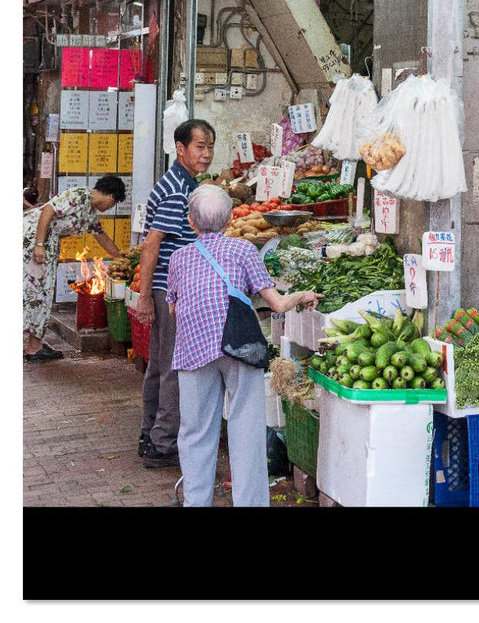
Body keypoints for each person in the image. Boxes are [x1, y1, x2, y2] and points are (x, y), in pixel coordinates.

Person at [167, 185, 319, 506]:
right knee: (246, 430)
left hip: (194, 350)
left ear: (191, 222)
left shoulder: (179, 258)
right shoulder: (244, 250)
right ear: (227, 222)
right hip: (240, 346)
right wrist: (301, 296)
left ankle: (197, 501)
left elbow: (173, 308)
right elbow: (276, 304)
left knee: (195, 432)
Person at [136, 119, 215, 469]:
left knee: (158, 364)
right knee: (171, 367)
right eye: (200, 146)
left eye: (210, 146)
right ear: (180, 149)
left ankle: (150, 433)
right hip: (169, 290)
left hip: (166, 288)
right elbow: (151, 245)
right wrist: (145, 295)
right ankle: (163, 443)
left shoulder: (185, 183)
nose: (207, 154)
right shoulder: (176, 190)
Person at [23, 176, 126, 361]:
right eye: (113, 203)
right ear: (111, 197)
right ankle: (33, 346)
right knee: (34, 292)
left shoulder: (89, 214)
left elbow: (104, 239)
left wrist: (123, 259)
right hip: (32, 240)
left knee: (42, 294)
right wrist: (39, 244)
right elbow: (48, 210)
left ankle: (34, 344)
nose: (110, 207)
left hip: (46, 244)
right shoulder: (79, 195)